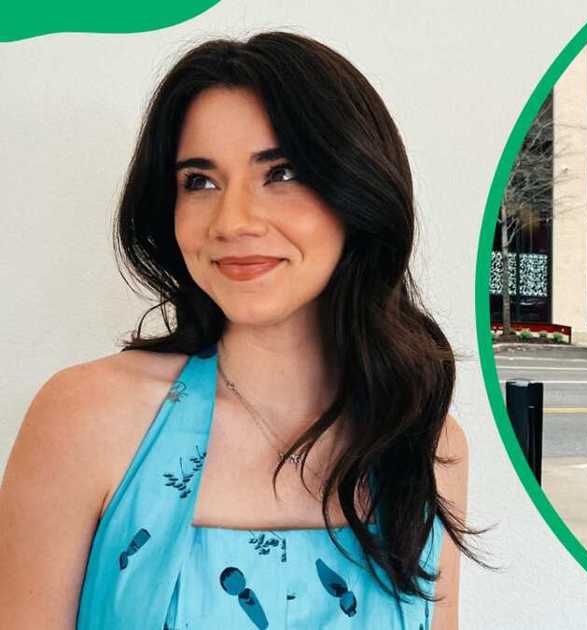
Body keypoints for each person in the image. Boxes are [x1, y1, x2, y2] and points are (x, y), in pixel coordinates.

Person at [0, 32, 474, 629]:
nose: (232, 221)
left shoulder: (423, 440)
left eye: (281, 173)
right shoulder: (86, 417)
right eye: (199, 181)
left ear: (356, 191)